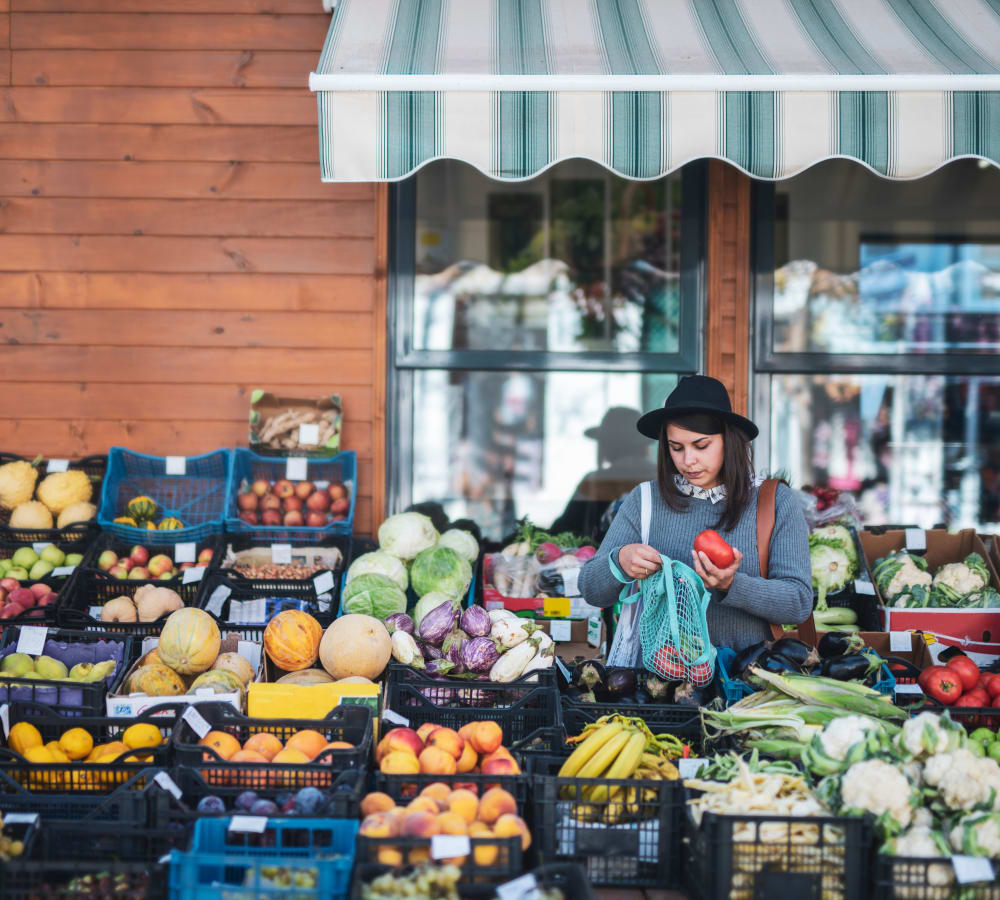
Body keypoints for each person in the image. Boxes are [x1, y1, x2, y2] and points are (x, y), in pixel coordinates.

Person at [577, 375, 812, 651]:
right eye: (676, 448)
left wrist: (731, 584)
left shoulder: (775, 502)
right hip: (659, 683)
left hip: (745, 680)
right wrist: (619, 562)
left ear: (729, 440)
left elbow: (798, 603)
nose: (688, 461)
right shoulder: (644, 500)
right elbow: (590, 588)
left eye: (701, 446)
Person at [550, 406, 656, 541]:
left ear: (606, 446)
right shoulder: (663, 479)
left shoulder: (595, 481)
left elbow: (563, 530)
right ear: (643, 445)